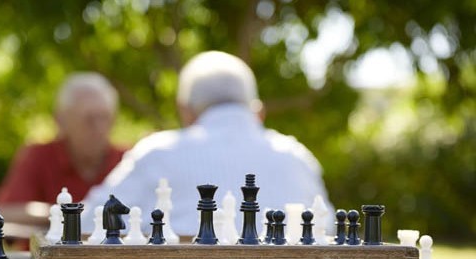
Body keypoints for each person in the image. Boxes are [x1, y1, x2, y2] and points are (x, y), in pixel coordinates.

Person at [81, 51, 333, 235]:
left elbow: (85, 223)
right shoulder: (298, 157)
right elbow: (329, 229)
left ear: (185, 111)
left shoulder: (156, 153)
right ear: (259, 112)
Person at [0, 73, 125, 225]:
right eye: (89, 119)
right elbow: (3, 213)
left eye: (105, 118)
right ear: (61, 120)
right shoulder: (38, 156)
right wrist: (69, 215)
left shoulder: (127, 160)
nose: (99, 128)